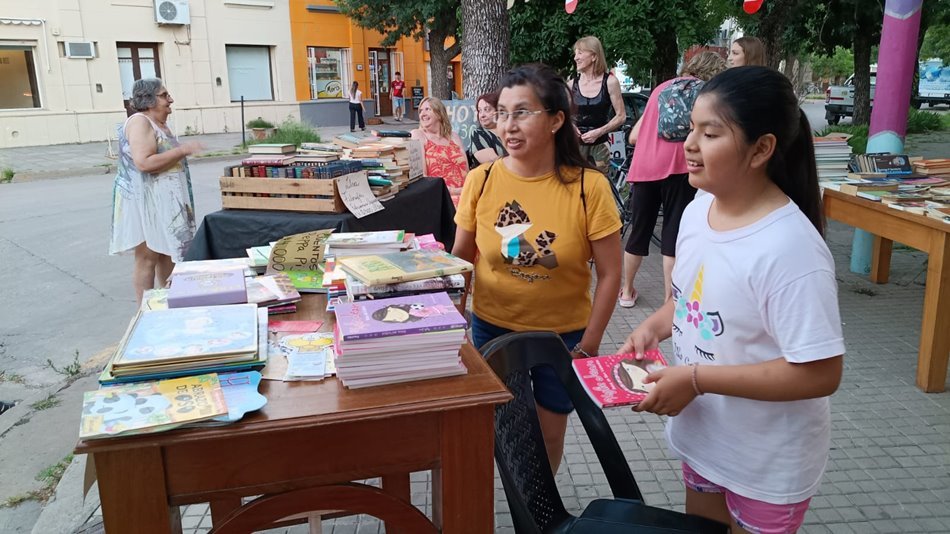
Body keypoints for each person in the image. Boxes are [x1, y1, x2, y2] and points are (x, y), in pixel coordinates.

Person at [620, 66, 844, 534]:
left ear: (761, 148)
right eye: (691, 129)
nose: (690, 145)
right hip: (705, 439)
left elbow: (821, 371)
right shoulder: (699, 209)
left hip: (765, 463)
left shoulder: (790, 249)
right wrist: (655, 326)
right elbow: (688, 299)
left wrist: (697, 379)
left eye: (711, 133)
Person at [452, 63, 622, 474]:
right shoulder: (482, 180)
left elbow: (612, 274)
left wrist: (591, 343)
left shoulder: (588, 187)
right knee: (502, 430)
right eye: (502, 112)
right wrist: (454, 324)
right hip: (494, 330)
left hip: (562, 338)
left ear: (556, 119)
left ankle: (540, 513)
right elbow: (460, 259)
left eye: (522, 112)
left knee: (548, 435)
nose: (508, 125)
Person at [619, 51, 725, 308]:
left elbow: (635, 135)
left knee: (638, 233)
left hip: (645, 168)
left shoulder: (660, 89)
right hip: (680, 168)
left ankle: (626, 292)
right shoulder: (707, 94)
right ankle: (670, 300)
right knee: (672, 235)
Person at [109, 78, 203, 306]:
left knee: (168, 253)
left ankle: (170, 304)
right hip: (147, 204)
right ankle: (146, 311)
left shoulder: (157, 123)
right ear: (148, 100)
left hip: (164, 203)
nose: (170, 100)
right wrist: (184, 150)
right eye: (164, 95)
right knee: (148, 256)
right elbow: (145, 162)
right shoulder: (140, 122)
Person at [568, 36, 625, 174]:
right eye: (575, 53)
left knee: (599, 184)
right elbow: (564, 115)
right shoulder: (571, 84)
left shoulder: (610, 82)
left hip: (600, 146)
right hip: (576, 146)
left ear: (594, 56)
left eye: (580, 53)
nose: (576, 58)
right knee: (574, 184)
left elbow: (621, 116)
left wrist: (599, 131)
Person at [410, 97, 468, 203]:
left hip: (466, 193)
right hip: (441, 196)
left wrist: (468, 190)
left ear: (439, 113)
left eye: (427, 109)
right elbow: (422, 178)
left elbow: (466, 172)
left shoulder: (454, 137)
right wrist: (457, 191)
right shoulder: (418, 135)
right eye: (420, 111)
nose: (422, 114)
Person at [467, 91, 507, 167]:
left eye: (487, 110)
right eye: (479, 111)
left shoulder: (508, 132)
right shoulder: (478, 134)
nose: (482, 115)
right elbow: (492, 162)